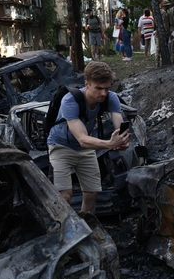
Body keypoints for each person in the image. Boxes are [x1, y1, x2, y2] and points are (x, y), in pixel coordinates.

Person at [46, 62, 130, 215]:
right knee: (64, 196)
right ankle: (64, 232)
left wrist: (122, 140)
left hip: (85, 149)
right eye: (99, 88)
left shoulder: (110, 98)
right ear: (87, 84)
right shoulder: (70, 100)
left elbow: (118, 122)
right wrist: (110, 143)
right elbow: (82, 139)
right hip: (60, 146)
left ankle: (86, 226)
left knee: (92, 193)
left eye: (107, 88)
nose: (103, 93)